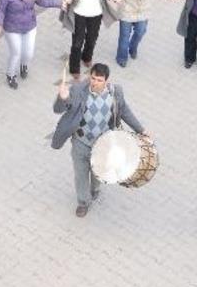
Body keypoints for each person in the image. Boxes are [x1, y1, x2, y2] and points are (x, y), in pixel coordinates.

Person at [51, 63, 149, 218]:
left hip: (103, 144)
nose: (94, 82)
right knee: (81, 174)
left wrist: (141, 130)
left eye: (99, 79)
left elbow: (125, 112)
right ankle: (83, 202)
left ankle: (95, 189)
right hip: (80, 142)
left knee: (99, 172)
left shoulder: (115, 93)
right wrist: (62, 98)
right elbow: (58, 109)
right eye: (93, 78)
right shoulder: (77, 90)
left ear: (107, 81)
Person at [0, 0, 66, 88]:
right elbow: (0, 10)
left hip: (29, 26)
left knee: (28, 53)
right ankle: (11, 75)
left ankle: (24, 65)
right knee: (16, 52)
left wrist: (60, 3)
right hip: (12, 28)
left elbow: (44, 1)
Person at [60, 0, 116, 81]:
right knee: (77, 43)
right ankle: (74, 68)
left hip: (96, 13)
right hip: (79, 12)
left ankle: (86, 57)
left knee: (92, 39)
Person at [113, 0, 175, 68]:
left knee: (140, 32)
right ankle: (122, 57)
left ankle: (133, 48)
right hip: (127, 10)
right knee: (124, 37)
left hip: (143, 12)